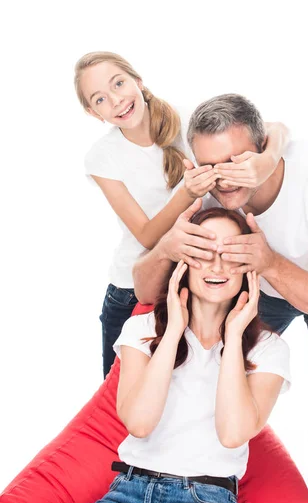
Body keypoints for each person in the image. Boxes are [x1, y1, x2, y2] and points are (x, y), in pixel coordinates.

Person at [132, 94, 308, 503]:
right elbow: (146, 287)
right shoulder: (207, 193)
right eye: (211, 166)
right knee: (208, 370)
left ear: (264, 151)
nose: (224, 179)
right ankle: (194, 495)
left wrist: (269, 263)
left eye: (236, 162)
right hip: (255, 273)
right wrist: (167, 247)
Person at [20, 208, 291, 503]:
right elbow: (139, 424)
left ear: (248, 267)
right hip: (125, 497)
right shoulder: (142, 329)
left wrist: (233, 337)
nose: (217, 265)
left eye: (230, 254)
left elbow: (232, 433)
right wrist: (174, 330)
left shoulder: (269, 348)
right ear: (183, 263)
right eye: (202, 251)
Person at [75, 52, 289, 377]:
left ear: (138, 81)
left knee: (200, 386)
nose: (116, 100)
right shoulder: (102, 158)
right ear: (94, 112)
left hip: (202, 276)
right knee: (122, 397)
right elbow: (146, 236)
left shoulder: (188, 118)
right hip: (137, 288)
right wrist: (187, 193)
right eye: (101, 98)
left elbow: (275, 128)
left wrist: (268, 159)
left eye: (118, 83)